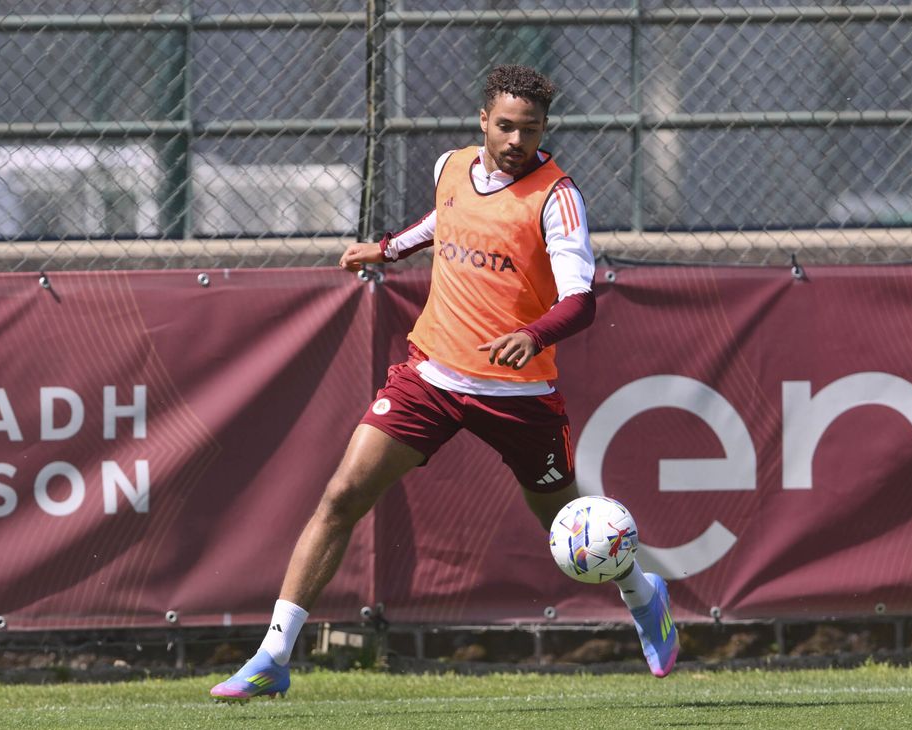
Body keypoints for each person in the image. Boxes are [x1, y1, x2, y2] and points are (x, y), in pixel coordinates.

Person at [210, 64, 678, 702]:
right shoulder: (451, 165)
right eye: (506, 126)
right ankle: (272, 656)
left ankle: (642, 593)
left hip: (520, 397)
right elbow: (444, 222)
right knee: (341, 495)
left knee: (572, 532)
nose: (517, 140)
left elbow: (581, 299)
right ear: (484, 120)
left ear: (544, 129)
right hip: (430, 375)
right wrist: (389, 247)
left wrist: (534, 335)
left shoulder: (557, 196)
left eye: (530, 129)